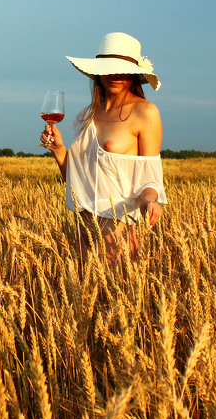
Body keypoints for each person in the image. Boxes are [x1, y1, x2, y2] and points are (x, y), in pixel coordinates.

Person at [40, 32, 166, 264]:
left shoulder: (145, 112)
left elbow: (150, 179)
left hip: (116, 232)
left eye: (123, 70)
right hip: (81, 230)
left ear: (135, 74)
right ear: (98, 72)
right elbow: (77, 181)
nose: (116, 75)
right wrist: (59, 150)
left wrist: (150, 202)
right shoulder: (85, 116)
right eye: (109, 68)